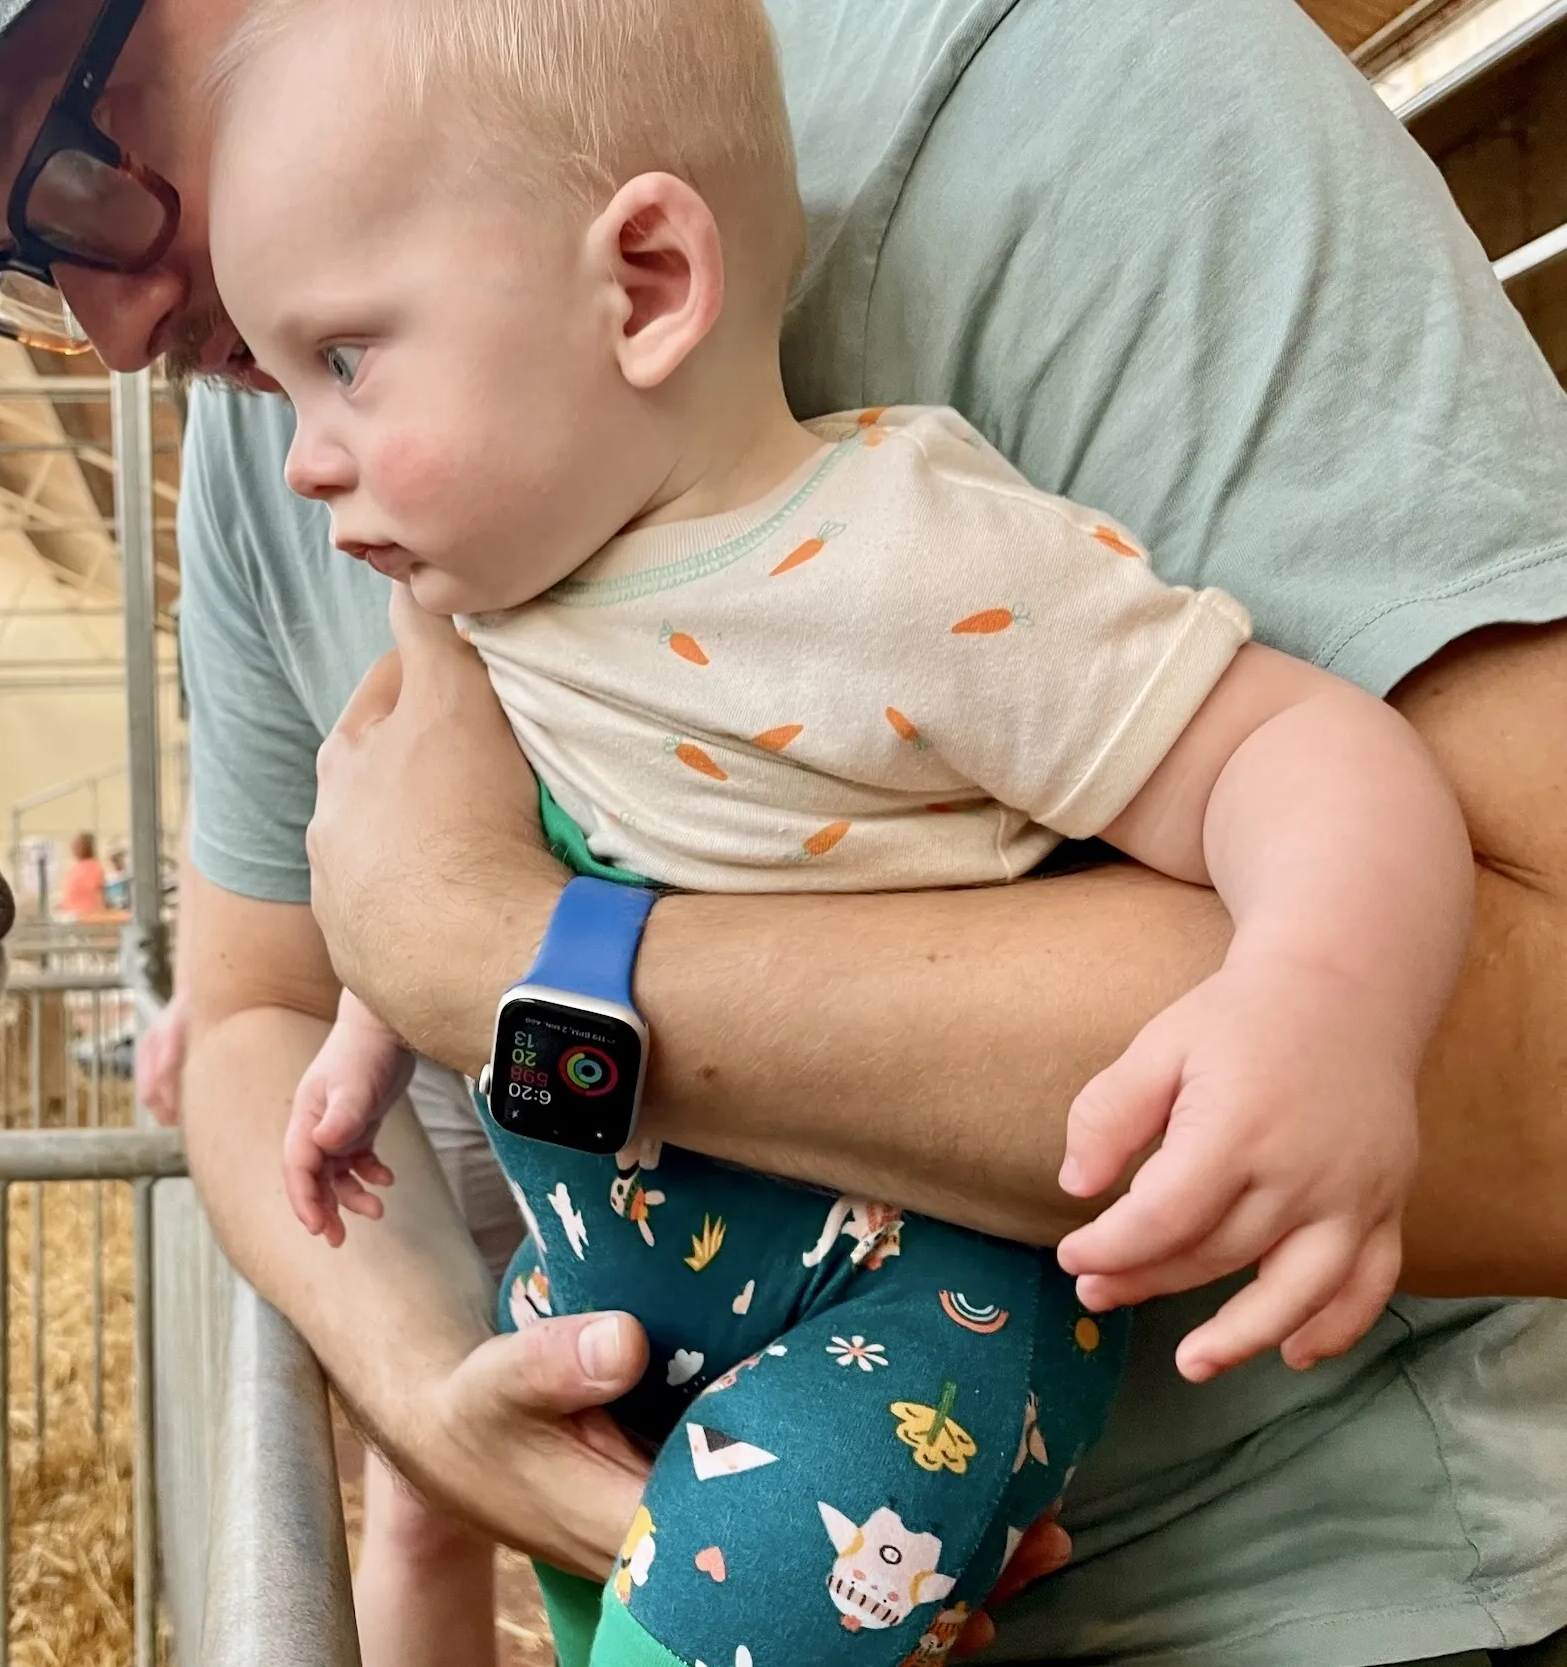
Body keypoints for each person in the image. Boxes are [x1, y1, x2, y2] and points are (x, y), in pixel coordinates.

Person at [0, 1, 1567, 1661]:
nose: (111, 326)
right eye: (13, 262)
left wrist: (508, 962)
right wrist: (424, 1390)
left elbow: (1498, 988)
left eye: (79, 169)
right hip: (657, 1406)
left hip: (1291, 1597)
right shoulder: (288, 439)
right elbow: (258, 991)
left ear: (647, 282)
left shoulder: (1041, 122)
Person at [205, 2, 1471, 1658]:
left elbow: (1300, 746)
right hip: (613, 1300)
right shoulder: (493, 611)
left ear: (644, 283)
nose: (299, 461)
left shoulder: (908, 569)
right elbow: (437, 893)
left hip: (905, 1310)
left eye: (346, 358)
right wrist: (363, 1043)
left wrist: (1325, 997)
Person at [59, 829, 108, 919]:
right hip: (71, 915)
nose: (74, 848)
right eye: (74, 845)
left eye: (78, 845)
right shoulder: (74, 867)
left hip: (88, 916)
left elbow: (93, 889)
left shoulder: (95, 867)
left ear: (87, 847)